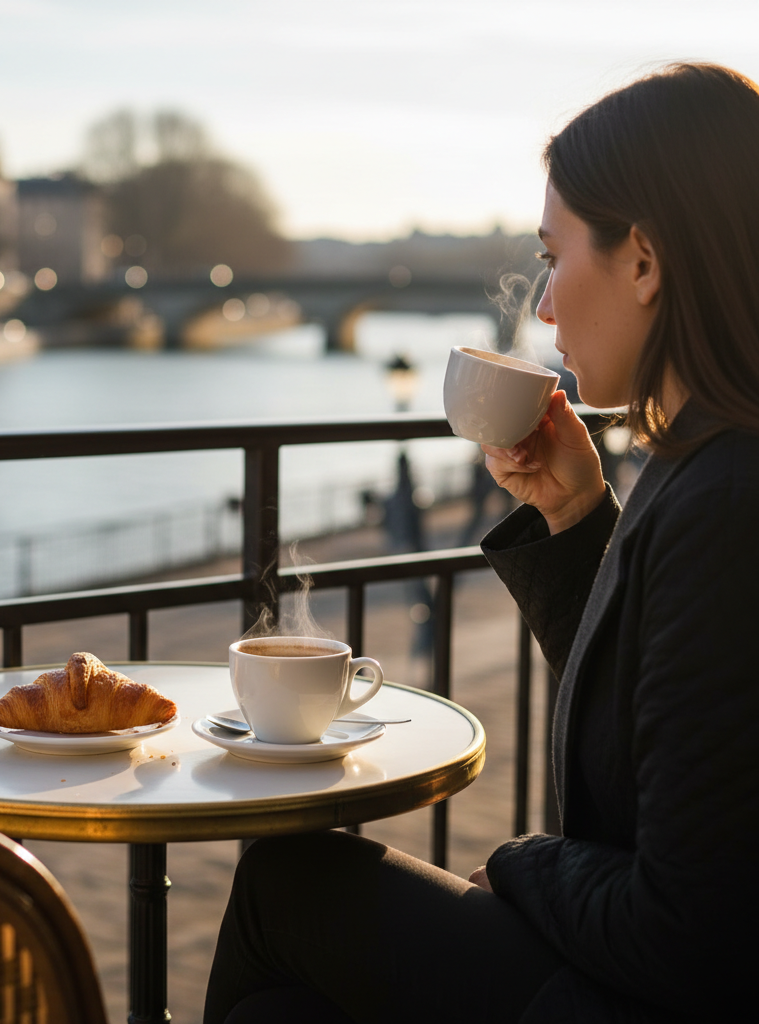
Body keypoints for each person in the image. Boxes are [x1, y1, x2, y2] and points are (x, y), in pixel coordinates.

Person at [203, 62, 759, 1024]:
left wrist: (521, 864)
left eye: (554, 256)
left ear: (643, 261)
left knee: (282, 885)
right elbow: (655, 725)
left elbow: (687, 935)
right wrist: (576, 516)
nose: (542, 305)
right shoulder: (707, 461)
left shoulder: (727, 499)